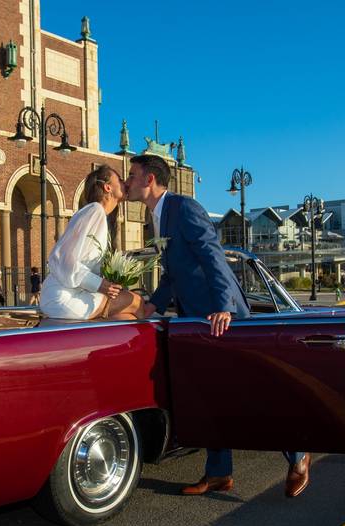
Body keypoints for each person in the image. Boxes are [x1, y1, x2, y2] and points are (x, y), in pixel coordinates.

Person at [124, 153, 311, 498]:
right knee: (208, 396)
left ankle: (298, 452)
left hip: (221, 317)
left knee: (250, 394)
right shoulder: (158, 216)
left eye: (132, 175)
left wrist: (224, 307)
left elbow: (213, 256)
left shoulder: (184, 208)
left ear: (150, 178)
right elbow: (174, 271)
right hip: (195, 320)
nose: (127, 181)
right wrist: (153, 303)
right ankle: (219, 474)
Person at [39, 165, 147, 321]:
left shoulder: (96, 213)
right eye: (120, 180)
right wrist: (101, 285)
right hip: (64, 297)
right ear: (108, 187)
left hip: (72, 293)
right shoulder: (94, 210)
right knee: (136, 302)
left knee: (126, 316)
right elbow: (64, 260)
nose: (125, 183)